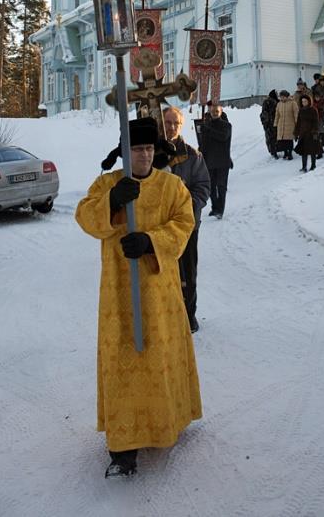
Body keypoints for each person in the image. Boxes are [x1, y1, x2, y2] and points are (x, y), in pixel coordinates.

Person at [75, 117, 202, 479]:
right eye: (136, 149)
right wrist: (112, 203)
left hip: (159, 294)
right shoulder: (107, 184)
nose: (144, 155)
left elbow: (184, 221)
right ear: (124, 152)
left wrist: (150, 241)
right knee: (122, 363)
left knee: (160, 359)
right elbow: (84, 216)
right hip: (119, 297)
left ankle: (168, 422)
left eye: (148, 149)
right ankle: (123, 448)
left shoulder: (171, 187)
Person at [163, 107, 211, 333]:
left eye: (175, 123)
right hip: (159, 225)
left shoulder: (192, 155)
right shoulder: (151, 154)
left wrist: (186, 208)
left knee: (187, 272)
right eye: (167, 122)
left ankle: (188, 315)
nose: (171, 127)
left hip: (186, 226)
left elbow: (203, 186)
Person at [200, 103, 232, 219]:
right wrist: (200, 157)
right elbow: (203, 145)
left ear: (221, 111)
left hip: (222, 161)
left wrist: (208, 131)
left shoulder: (227, 125)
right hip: (210, 161)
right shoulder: (206, 126)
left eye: (216, 111)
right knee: (211, 186)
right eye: (212, 111)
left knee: (221, 186)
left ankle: (220, 210)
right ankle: (214, 208)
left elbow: (223, 137)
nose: (214, 113)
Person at [294, 94, 320, 172]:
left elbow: (316, 122)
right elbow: (298, 123)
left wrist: (315, 131)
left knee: (312, 151)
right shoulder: (301, 110)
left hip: (311, 133)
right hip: (303, 133)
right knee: (303, 151)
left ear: (308, 101)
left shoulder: (313, 110)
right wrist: (296, 133)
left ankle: (313, 165)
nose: (304, 103)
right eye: (302, 102)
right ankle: (304, 166)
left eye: (305, 101)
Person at [274, 90, 299, 160]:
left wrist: (297, 123)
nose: (282, 98)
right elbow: (277, 115)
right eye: (281, 97)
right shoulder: (279, 104)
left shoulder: (293, 103)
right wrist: (275, 123)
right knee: (283, 141)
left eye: (283, 97)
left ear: (287, 96)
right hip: (281, 124)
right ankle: (285, 153)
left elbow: (296, 114)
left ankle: (290, 153)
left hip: (290, 124)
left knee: (289, 140)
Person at [260, 90, 279, 158]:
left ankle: (273, 151)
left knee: (272, 138)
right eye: (276, 94)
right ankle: (274, 152)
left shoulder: (273, 101)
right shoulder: (269, 102)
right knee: (272, 138)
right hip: (271, 123)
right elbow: (265, 114)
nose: (277, 95)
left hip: (271, 122)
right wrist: (267, 123)